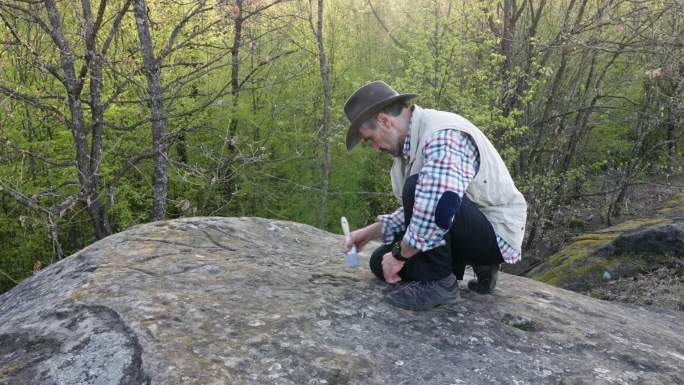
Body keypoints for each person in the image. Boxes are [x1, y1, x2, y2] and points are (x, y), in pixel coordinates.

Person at [342, 80, 527, 311]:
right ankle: (479, 265)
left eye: (370, 139)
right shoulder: (414, 141)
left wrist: (400, 255)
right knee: (379, 261)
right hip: (466, 227)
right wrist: (369, 234)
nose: (376, 148)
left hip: (495, 234)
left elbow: (438, 207)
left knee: (417, 189)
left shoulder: (442, 136)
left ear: (384, 121)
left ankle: (439, 284)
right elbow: (421, 206)